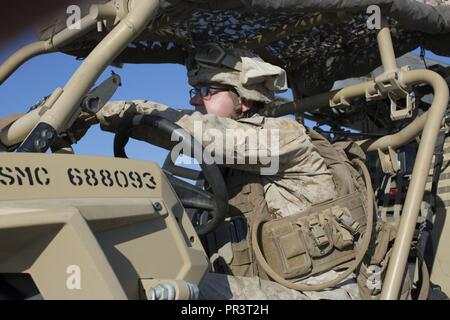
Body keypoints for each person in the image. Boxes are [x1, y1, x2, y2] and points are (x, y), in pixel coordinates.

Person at [95, 44, 378, 300]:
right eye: (195, 91)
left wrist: (110, 111)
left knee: (165, 294)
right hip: (269, 288)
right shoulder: (221, 161)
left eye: (208, 91)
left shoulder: (285, 138)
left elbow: (205, 134)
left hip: (316, 293)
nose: (195, 101)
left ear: (244, 100)